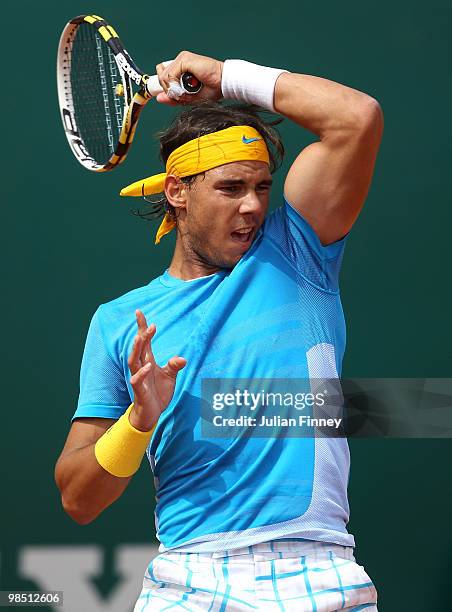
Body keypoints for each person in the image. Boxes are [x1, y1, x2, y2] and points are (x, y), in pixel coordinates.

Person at [55, 52, 383, 611]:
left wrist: (227, 79)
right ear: (178, 191)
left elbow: (357, 117)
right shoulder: (119, 322)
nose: (254, 205)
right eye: (231, 188)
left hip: (321, 573)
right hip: (190, 579)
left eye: (262, 186)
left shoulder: (298, 251)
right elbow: (79, 499)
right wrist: (138, 422)